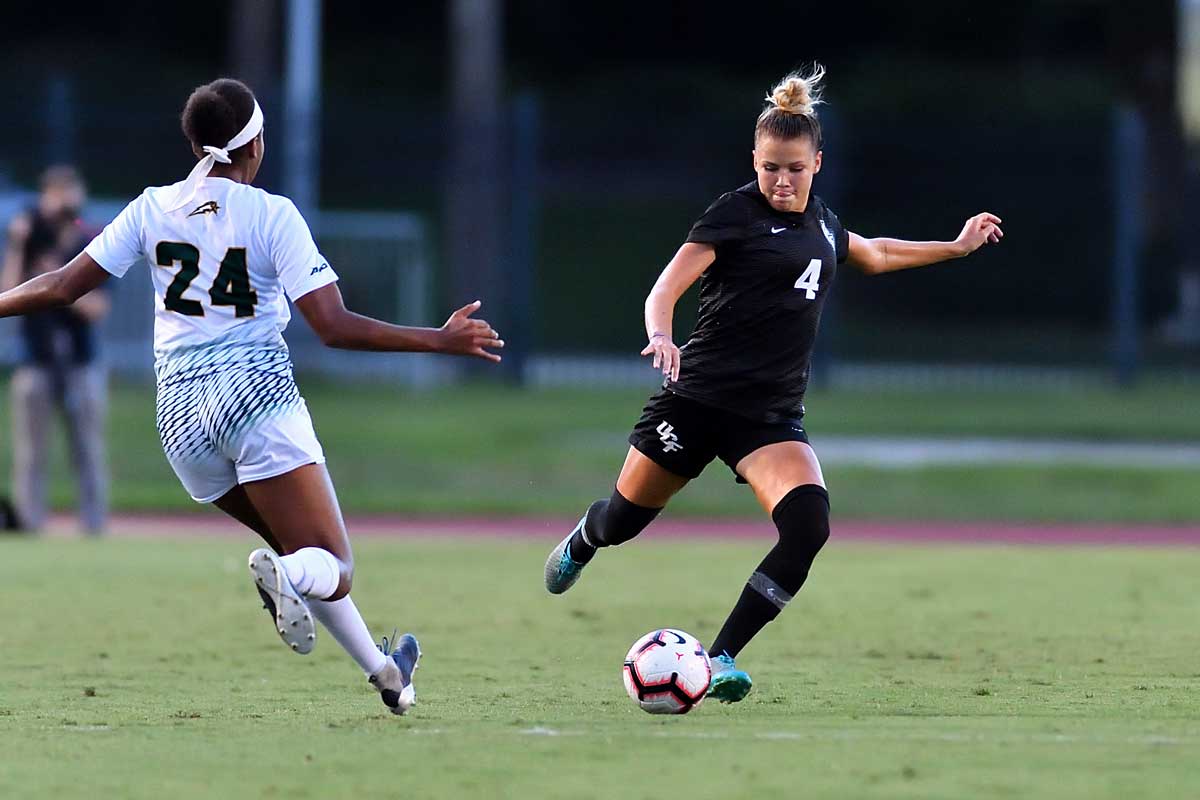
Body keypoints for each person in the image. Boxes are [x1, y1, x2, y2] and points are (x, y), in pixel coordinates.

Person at [0, 78, 505, 715]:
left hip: (181, 418)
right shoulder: (272, 214)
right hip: (255, 398)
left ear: (195, 143)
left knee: (304, 552)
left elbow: (61, 286)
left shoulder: (152, 207)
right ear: (255, 145)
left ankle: (387, 675)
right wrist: (438, 340)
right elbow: (334, 326)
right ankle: (286, 577)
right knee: (330, 565)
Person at [544, 66, 1003, 703]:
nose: (781, 180)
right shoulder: (734, 214)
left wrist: (954, 248)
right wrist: (661, 334)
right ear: (753, 162)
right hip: (696, 400)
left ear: (817, 162)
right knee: (624, 520)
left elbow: (877, 253)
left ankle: (722, 655)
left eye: (794, 167)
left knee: (809, 525)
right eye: (769, 168)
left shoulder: (823, 224)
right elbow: (667, 286)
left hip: (768, 418)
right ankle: (586, 537)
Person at [1, 166, 109, 535]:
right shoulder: (31, 237)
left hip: (81, 361)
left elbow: (98, 309)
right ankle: (28, 525)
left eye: (69, 193)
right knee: (30, 454)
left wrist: (60, 284)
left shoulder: (92, 241)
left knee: (88, 449)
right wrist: (19, 244)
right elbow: (8, 293)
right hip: (36, 360)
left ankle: (94, 527)